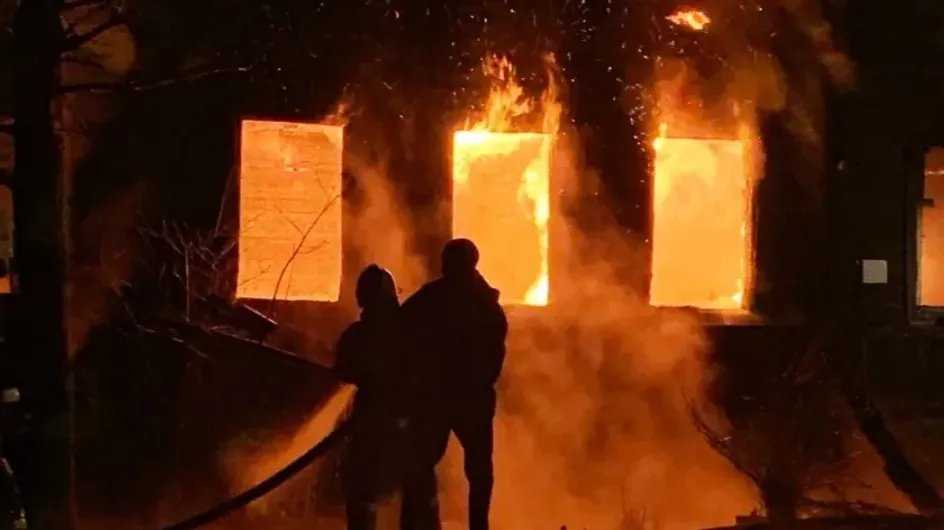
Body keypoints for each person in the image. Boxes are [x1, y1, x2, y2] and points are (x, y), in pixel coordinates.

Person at [400, 239, 508, 530]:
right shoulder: (483, 304)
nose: (444, 267)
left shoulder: (445, 299)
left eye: (449, 262)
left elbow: (403, 325)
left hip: (451, 398)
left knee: (432, 464)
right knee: (467, 470)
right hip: (460, 398)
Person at [335, 265, 410, 530]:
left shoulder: (356, 335)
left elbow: (342, 372)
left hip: (368, 425)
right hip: (404, 426)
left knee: (362, 494)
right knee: (410, 494)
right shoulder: (408, 332)